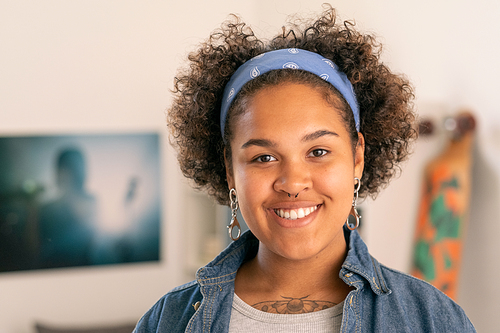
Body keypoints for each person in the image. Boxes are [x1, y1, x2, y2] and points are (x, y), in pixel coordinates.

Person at [134, 6, 475, 332]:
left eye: (318, 151)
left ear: (357, 157)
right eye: (264, 157)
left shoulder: (432, 319)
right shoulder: (168, 321)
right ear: (229, 169)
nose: (293, 183)